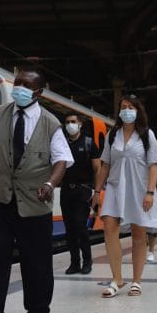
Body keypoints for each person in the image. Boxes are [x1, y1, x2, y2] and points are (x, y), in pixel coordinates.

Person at [0, 69, 74, 313]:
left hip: (35, 202)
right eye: (18, 83)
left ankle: (38, 309)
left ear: (39, 93)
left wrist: (51, 183)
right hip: (0, 199)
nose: (20, 88)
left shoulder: (51, 123)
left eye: (27, 85)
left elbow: (62, 160)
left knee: (36, 260)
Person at [92, 94, 157, 298]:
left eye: (131, 107)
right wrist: (97, 191)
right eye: (123, 107)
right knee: (109, 230)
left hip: (139, 189)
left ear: (138, 111)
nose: (127, 110)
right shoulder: (112, 135)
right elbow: (105, 164)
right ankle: (117, 279)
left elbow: (154, 166)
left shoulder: (147, 135)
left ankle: (137, 281)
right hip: (114, 188)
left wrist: (150, 192)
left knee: (138, 235)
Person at [60, 113, 100, 274]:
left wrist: (96, 191)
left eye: (73, 122)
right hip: (65, 190)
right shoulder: (62, 144)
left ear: (80, 124)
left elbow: (97, 169)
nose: (70, 124)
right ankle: (74, 262)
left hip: (83, 190)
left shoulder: (89, 143)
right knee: (69, 229)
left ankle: (87, 261)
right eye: (67, 122)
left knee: (80, 226)